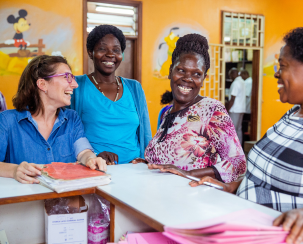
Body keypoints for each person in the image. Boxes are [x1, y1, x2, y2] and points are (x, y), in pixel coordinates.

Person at [190, 27, 303, 244]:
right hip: (255, 233)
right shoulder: (293, 114)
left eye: (283, 66)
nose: (277, 72)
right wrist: (233, 186)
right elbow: (265, 172)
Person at [132, 34, 246, 184]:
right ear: (170, 71)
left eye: (197, 74)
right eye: (181, 70)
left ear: (203, 79)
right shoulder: (167, 114)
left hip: (195, 199)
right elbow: (170, 162)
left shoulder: (211, 110)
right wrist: (146, 164)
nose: (187, 78)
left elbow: (238, 163)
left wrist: (189, 174)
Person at [0, 55, 107, 184]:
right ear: (42, 84)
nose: (75, 84)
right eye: (67, 77)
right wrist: (14, 170)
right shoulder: (6, 120)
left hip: (65, 200)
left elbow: (83, 152)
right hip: (23, 202)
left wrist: (91, 159)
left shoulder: (72, 118)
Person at [69, 25, 152, 164]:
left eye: (116, 50)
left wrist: (147, 160)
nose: (110, 54)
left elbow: (146, 134)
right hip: (93, 168)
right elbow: (66, 133)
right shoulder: (77, 86)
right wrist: (92, 156)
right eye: (102, 49)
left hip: (135, 170)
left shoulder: (134, 88)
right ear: (90, 52)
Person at [226, 69, 246, 145]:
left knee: (232, 129)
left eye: (230, 75)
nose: (230, 77)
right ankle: (239, 146)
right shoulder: (242, 81)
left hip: (235, 109)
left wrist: (227, 110)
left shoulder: (235, 83)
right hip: (241, 109)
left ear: (233, 74)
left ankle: (233, 148)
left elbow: (232, 98)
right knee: (239, 129)